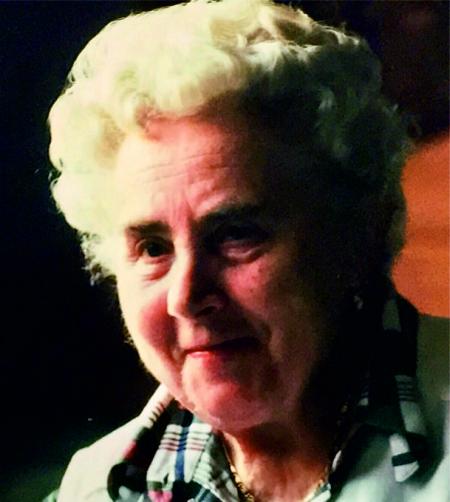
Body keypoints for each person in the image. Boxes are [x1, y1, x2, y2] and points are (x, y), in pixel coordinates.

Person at [46, 0, 448, 500]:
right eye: (152, 248)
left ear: (362, 229)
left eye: (236, 234)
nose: (186, 297)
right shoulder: (98, 487)